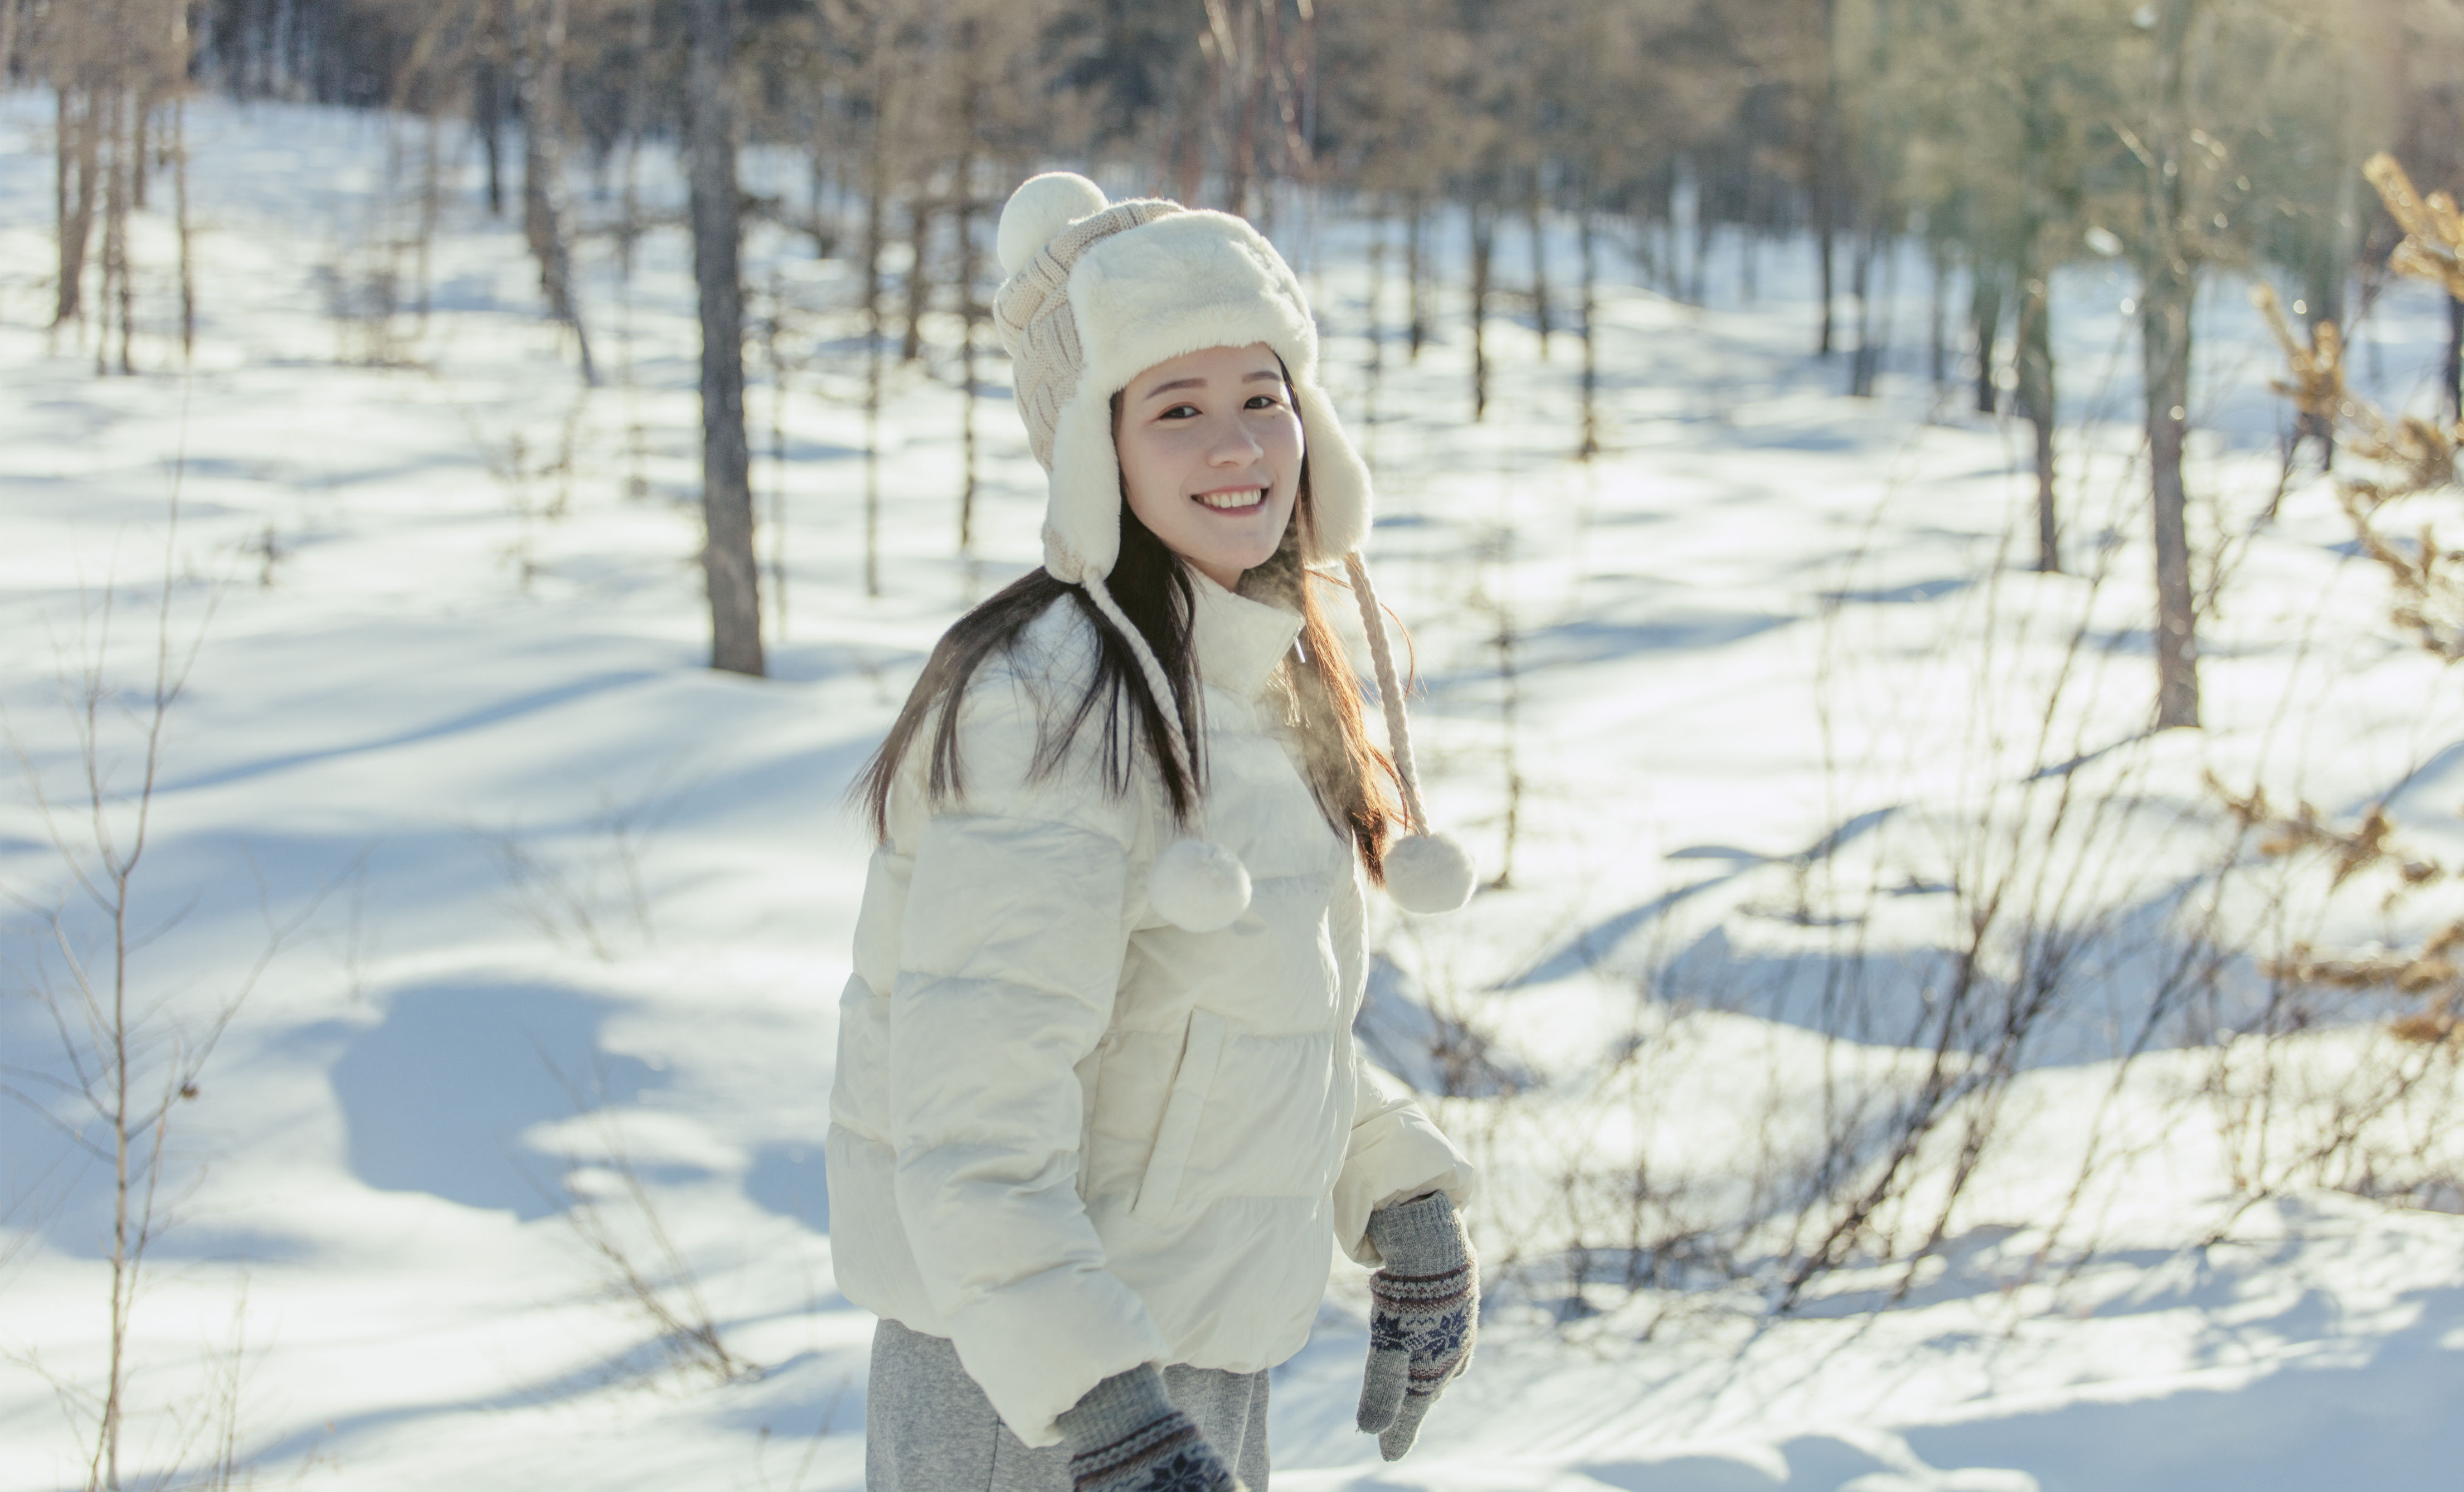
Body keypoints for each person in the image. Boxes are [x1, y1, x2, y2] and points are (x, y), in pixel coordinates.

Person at [828, 172, 1482, 1492]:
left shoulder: (1253, 676)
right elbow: (972, 1125)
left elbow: (1212, 1023)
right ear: (1095, 448)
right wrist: (1102, 1409)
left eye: (1262, 397)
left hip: (1178, 1374)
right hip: (1037, 1401)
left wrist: (1396, 1193)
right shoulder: (1047, 708)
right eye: (1176, 411)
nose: (1237, 446)